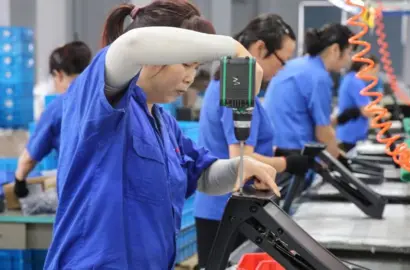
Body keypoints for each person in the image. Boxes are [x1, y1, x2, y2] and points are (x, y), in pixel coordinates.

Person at [42, 1, 280, 269]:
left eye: (196, 68)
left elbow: (201, 175)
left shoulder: (163, 123)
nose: (190, 77)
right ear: (155, 58)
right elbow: (132, 46)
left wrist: (240, 167)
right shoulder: (99, 102)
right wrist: (233, 48)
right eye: (187, 64)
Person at [193, 14, 308, 269]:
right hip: (228, 210)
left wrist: (277, 152)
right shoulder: (237, 90)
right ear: (259, 48)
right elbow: (241, 160)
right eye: (282, 60)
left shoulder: (224, 84)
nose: (282, 69)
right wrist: (286, 163)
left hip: (221, 207)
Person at [263, 24, 355, 159]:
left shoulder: (299, 65)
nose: (350, 59)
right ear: (335, 49)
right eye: (349, 52)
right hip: (293, 159)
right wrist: (340, 160)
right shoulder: (319, 77)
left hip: (273, 151)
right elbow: (323, 133)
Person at [13, 41, 92, 198]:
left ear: (59, 74)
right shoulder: (108, 99)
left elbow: (28, 159)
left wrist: (19, 181)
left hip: (78, 198)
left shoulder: (59, 107)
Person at [335, 54, 388, 152]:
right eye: (374, 71)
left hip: (349, 134)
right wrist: (383, 112)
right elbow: (366, 111)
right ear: (365, 68)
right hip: (350, 136)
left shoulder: (351, 78)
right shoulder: (356, 83)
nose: (375, 76)